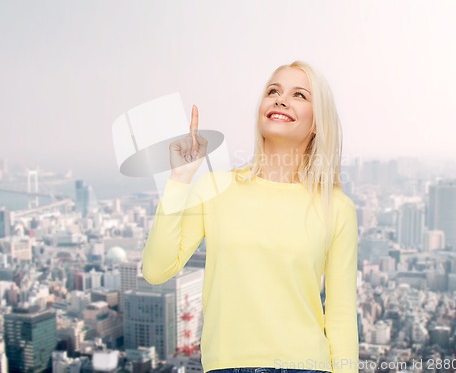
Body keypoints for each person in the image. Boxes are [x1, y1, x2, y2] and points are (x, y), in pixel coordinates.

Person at [141, 61, 359, 373]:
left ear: (316, 123)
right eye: (273, 91)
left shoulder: (336, 207)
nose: (280, 99)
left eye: (299, 95)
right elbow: (156, 269)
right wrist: (179, 178)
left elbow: (340, 315)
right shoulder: (216, 188)